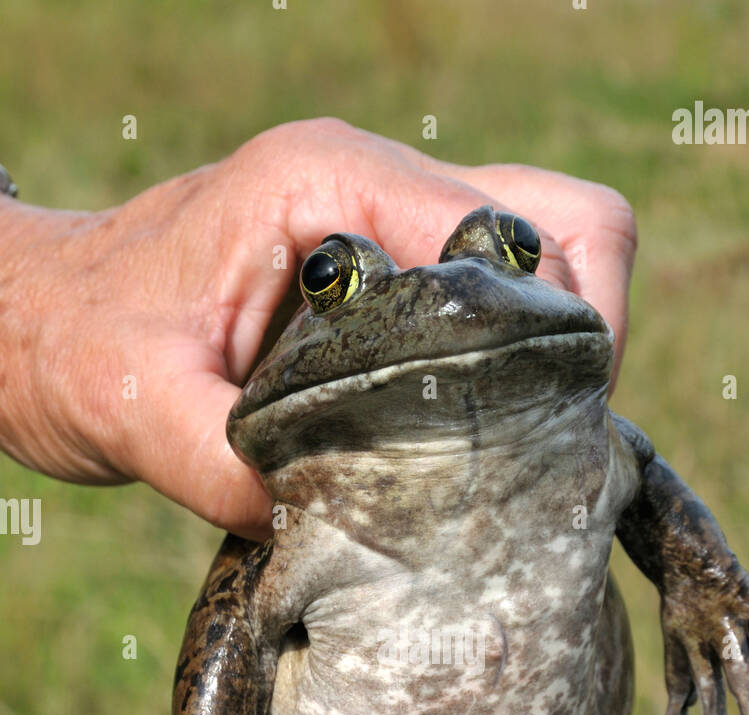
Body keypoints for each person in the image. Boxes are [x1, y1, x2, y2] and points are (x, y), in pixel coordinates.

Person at [0, 119, 636, 540]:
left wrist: (706, 590)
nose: (454, 302)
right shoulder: (290, 500)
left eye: (514, 244)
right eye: (333, 278)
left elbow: (639, 469)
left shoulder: (582, 452)